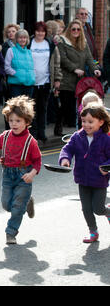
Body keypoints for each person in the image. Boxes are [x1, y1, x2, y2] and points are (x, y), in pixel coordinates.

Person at [0, 95, 42, 245]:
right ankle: (27, 203)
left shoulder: (31, 142)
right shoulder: (5, 136)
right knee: (7, 204)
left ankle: (11, 232)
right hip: (7, 174)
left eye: (18, 121)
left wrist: (32, 174)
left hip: (23, 175)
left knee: (17, 207)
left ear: (27, 121)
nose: (14, 124)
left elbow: (38, 161)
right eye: (11, 120)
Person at [59, 103, 110, 243]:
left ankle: (108, 212)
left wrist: (106, 167)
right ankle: (93, 231)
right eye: (83, 121)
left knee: (98, 209)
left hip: (99, 180)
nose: (86, 125)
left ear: (101, 122)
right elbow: (67, 149)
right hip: (82, 179)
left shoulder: (106, 139)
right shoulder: (77, 136)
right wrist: (65, 159)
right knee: (86, 209)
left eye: (90, 121)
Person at [56, 19, 101, 133]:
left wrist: (95, 69)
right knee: (65, 105)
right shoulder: (63, 42)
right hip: (66, 79)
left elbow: (89, 59)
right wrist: (74, 69)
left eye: (78, 29)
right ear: (69, 30)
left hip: (79, 81)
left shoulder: (83, 43)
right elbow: (63, 59)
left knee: (79, 106)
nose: (76, 31)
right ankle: (58, 127)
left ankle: (79, 128)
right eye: (73, 29)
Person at [28, 21, 62, 143]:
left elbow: (56, 63)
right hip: (31, 81)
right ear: (34, 31)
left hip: (46, 81)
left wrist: (57, 79)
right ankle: (33, 133)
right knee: (31, 109)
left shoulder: (50, 44)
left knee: (43, 108)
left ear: (45, 32)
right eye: (38, 31)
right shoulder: (29, 43)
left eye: (42, 31)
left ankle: (42, 133)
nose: (40, 33)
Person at [4, 29, 35, 98]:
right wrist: (17, 74)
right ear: (16, 39)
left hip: (29, 85)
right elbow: (7, 67)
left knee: (27, 108)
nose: (22, 40)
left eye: (24, 38)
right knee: (16, 107)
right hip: (16, 85)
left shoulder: (30, 52)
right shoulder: (11, 50)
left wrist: (33, 77)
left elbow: (33, 68)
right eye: (20, 38)